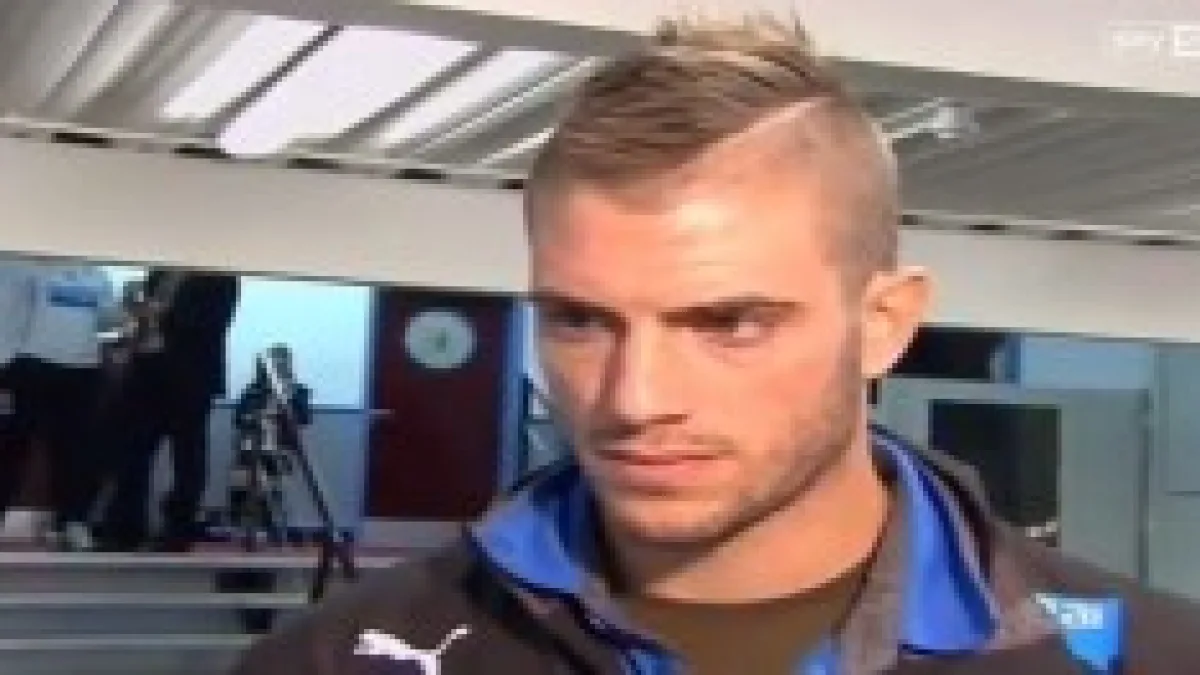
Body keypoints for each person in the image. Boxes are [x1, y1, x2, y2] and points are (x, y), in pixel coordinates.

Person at [232, 16, 1200, 674]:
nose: (636, 397)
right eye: (581, 320)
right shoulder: (334, 660)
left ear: (884, 324)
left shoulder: (1151, 658)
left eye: (730, 322)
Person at [97, 269, 239, 552]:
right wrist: (136, 312)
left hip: (191, 379)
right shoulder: (159, 271)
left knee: (187, 457)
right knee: (133, 452)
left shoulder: (220, 275)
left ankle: (178, 530)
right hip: (147, 374)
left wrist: (158, 312)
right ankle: (124, 528)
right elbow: (143, 318)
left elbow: (209, 322)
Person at [0, 261, 115, 551]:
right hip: (32, 364)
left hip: (83, 370)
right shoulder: (22, 265)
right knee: (13, 447)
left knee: (76, 453)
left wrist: (125, 314)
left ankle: (72, 521)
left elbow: (107, 320)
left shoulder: (97, 275)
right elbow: (7, 318)